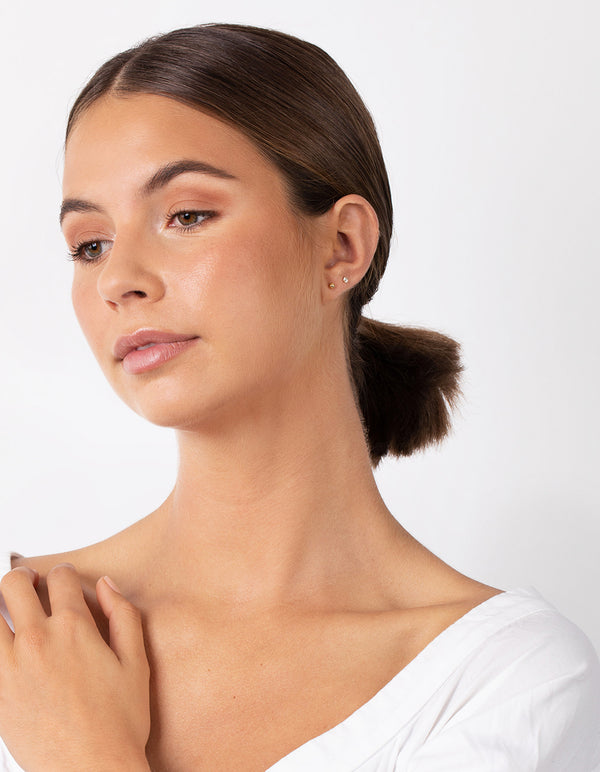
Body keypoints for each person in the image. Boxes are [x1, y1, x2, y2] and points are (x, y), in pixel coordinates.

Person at [0, 23, 598, 772]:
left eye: (187, 216)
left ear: (342, 245)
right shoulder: (24, 630)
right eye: (90, 244)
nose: (119, 279)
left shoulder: (507, 682)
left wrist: (85, 754)